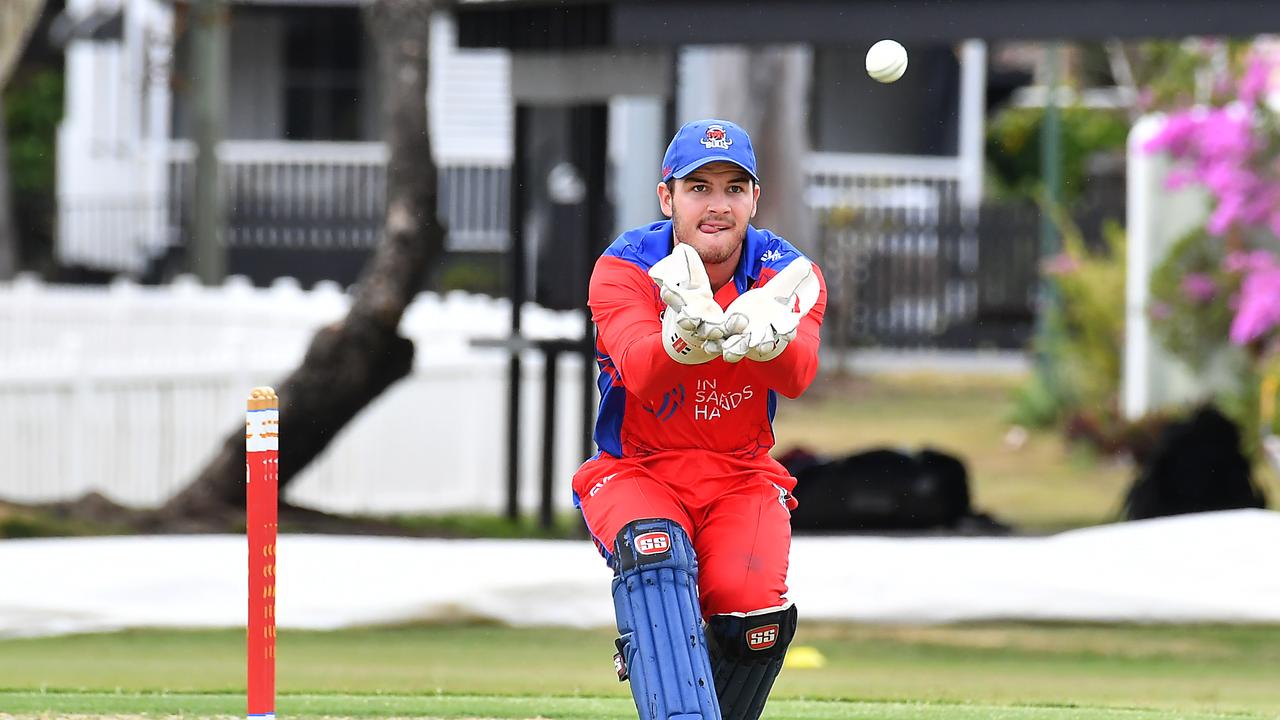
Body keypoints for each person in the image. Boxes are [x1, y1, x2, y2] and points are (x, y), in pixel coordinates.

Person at [571, 118, 827, 720]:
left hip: (741, 475)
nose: (718, 207)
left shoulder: (787, 274)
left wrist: (772, 341)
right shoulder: (625, 267)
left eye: (734, 189)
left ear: (755, 199)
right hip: (638, 470)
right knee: (654, 555)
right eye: (699, 188)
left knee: (755, 621)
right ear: (667, 197)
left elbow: (799, 376)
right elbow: (639, 368)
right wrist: (682, 340)